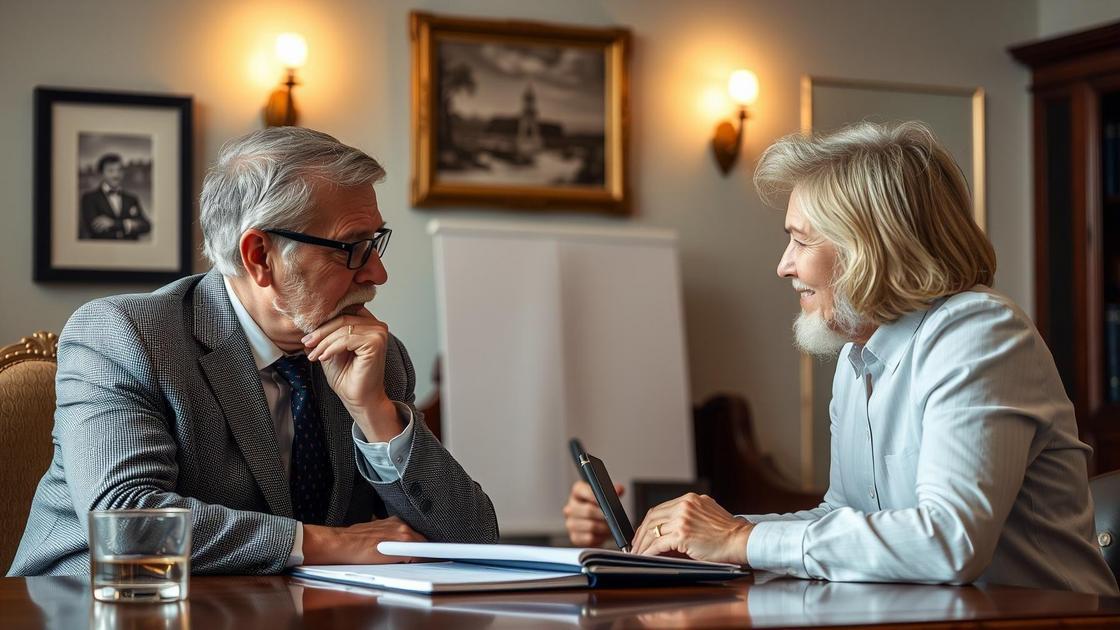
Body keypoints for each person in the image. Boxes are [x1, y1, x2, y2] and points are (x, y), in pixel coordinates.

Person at [563, 121, 1119, 595]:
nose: (784, 265)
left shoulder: (979, 334)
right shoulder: (860, 355)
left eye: (801, 241)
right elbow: (842, 520)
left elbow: (951, 543)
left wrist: (739, 539)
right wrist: (694, 536)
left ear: (871, 248)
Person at [9, 127, 498, 576]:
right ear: (259, 256)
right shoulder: (126, 336)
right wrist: (325, 544)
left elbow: (471, 538)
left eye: (375, 243)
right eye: (351, 248)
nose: (376, 274)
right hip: (91, 607)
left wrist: (376, 415)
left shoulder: (374, 358)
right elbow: (129, 525)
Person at [79, 153, 151, 240]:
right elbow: (95, 229)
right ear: (101, 174)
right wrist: (131, 225)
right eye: (110, 171)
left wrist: (113, 224)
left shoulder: (132, 199)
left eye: (119, 170)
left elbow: (146, 226)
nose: (116, 175)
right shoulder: (89, 198)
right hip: (103, 251)